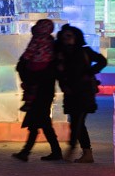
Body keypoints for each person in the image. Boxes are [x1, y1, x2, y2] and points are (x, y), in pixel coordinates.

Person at [55, 25, 108, 163]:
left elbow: (102, 61)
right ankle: (86, 153)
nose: (67, 39)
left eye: (70, 35)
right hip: (71, 93)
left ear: (76, 37)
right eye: (64, 36)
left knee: (77, 121)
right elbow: (60, 74)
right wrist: (64, 86)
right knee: (77, 122)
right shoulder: (61, 54)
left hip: (84, 92)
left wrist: (90, 73)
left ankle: (73, 147)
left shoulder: (84, 51)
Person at [12, 19, 62, 161]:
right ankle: (28, 152)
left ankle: (28, 152)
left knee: (40, 122)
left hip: (39, 91)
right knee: (40, 122)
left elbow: (25, 59)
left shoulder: (38, 42)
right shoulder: (52, 45)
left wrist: (27, 76)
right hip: (43, 90)